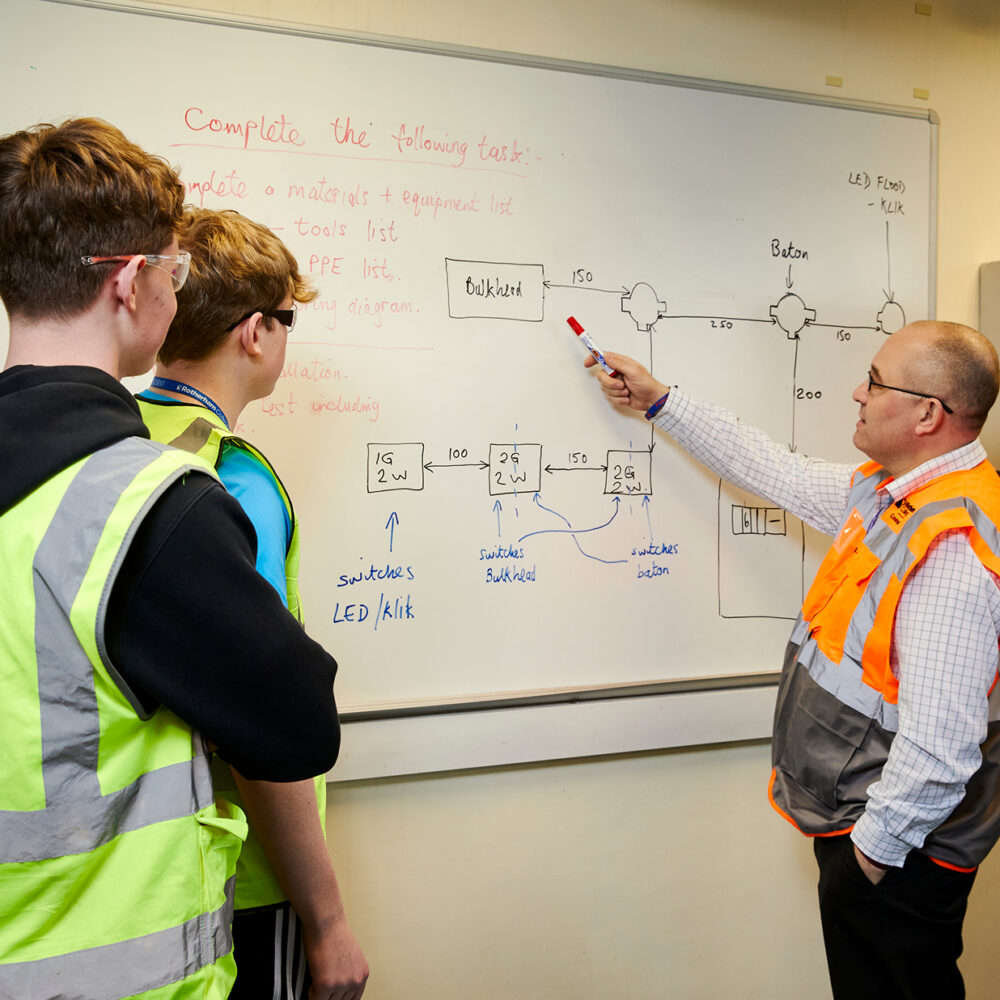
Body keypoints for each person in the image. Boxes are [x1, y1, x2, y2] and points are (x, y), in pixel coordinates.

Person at [0, 118, 340, 1000]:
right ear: (128, 281)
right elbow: (294, 724)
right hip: (116, 965)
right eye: (172, 271)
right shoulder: (152, 505)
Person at [587, 320, 1000, 1000]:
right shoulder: (890, 493)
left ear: (929, 413)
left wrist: (868, 857)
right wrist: (662, 400)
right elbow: (776, 469)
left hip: (900, 850)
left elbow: (943, 747)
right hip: (871, 824)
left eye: (875, 380)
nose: (856, 393)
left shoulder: (950, 546)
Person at [136, 207, 368, 1000]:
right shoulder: (231, 479)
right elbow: (259, 714)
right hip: (248, 872)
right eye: (287, 318)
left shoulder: (123, 437)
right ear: (253, 332)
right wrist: (327, 920)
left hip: (158, 869)